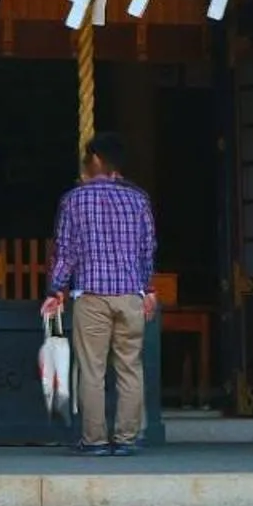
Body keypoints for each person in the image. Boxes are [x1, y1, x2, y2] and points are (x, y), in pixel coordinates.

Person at [42, 132, 158, 456]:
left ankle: (93, 440)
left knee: (92, 371)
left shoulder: (74, 200)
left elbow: (67, 252)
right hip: (130, 294)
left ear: (95, 161)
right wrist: (147, 288)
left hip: (91, 294)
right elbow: (147, 249)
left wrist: (55, 289)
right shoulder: (138, 199)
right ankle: (126, 438)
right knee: (130, 368)